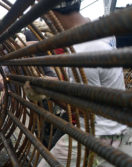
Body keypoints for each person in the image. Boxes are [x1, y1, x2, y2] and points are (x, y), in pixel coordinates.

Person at [38, 0, 132, 166]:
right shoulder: (101, 31)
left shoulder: (82, 52)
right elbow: (97, 85)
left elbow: (82, 110)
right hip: (118, 129)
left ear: (50, 15)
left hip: (96, 136)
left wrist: (47, 92)